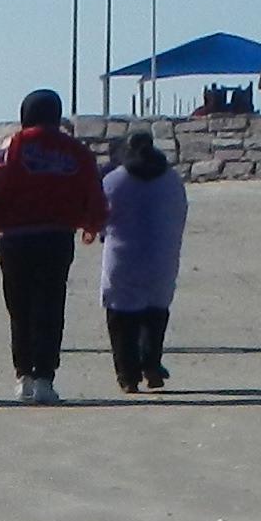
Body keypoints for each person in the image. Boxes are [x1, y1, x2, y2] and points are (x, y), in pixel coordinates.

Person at [0, 87, 107, 402]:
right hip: (57, 237)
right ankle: (45, 377)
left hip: (15, 239)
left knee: (20, 308)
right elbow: (92, 191)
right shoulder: (76, 152)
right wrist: (92, 223)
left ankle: (23, 376)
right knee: (50, 305)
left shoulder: (12, 146)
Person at [98, 127, 187, 390]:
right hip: (162, 255)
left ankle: (128, 376)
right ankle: (151, 364)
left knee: (121, 318)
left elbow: (101, 218)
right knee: (155, 313)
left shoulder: (114, 180)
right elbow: (180, 214)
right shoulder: (172, 179)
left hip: (122, 256)